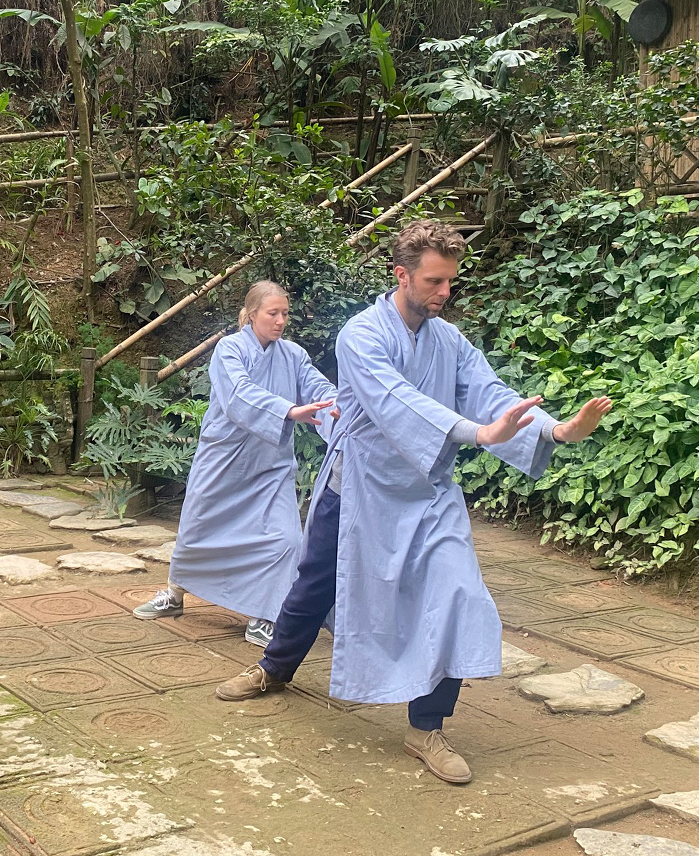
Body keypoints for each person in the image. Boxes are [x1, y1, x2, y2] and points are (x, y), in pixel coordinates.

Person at [214, 220, 611, 785]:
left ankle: (427, 727)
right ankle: (273, 669)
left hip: (428, 492)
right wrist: (477, 434)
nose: (445, 292)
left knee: (458, 595)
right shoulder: (361, 335)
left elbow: (490, 392)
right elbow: (396, 403)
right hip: (359, 486)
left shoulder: (449, 340)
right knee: (314, 583)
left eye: (450, 281)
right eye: (434, 281)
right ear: (401, 275)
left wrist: (555, 432)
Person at [133, 280, 338, 647]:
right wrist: (289, 410)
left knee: (286, 538)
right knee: (199, 531)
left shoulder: (293, 355)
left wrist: (335, 405)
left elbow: (317, 388)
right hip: (225, 458)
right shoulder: (230, 349)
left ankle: (266, 614)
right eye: (272, 313)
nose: (280, 321)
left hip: (270, 464)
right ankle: (175, 594)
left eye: (284, 314)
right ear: (252, 314)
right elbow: (239, 394)